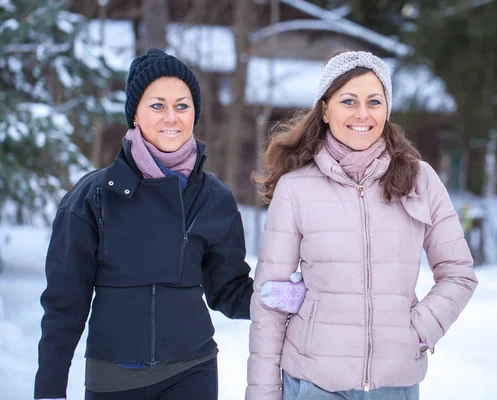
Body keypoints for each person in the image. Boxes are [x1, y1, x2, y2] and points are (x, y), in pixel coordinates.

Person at [34, 48, 303, 400]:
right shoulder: (93, 197)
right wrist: (48, 391)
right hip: (114, 379)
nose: (171, 118)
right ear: (135, 115)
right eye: (157, 105)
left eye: (182, 105)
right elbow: (63, 307)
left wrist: (276, 297)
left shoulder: (213, 198)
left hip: (192, 373)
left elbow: (228, 290)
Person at [246, 50, 479, 400]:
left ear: (387, 109)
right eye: (348, 101)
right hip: (313, 382)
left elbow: (459, 272)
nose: (362, 114)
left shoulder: (420, 180)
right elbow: (270, 299)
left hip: (394, 384)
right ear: (325, 110)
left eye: (374, 101)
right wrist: (263, 393)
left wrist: (418, 331)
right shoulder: (296, 188)